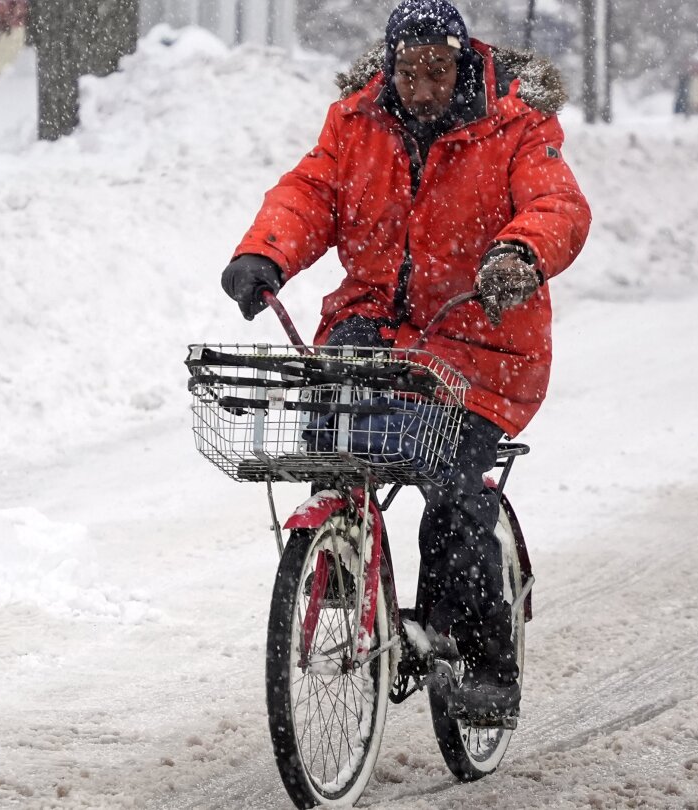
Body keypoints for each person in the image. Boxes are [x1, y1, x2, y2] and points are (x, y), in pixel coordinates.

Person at [220, 0, 590, 723]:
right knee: (330, 424)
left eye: (437, 71)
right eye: (408, 72)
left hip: (481, 340)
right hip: (379, 326)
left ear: (462, 66)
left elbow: (557, 204)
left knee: (452, 493)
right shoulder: (356, 120)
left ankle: (484, 660)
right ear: (388, 68)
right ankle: (342, 552)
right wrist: (264, 251)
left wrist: (519, 253)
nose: (421, 88)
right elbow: (311, 193)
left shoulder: (516, 124)